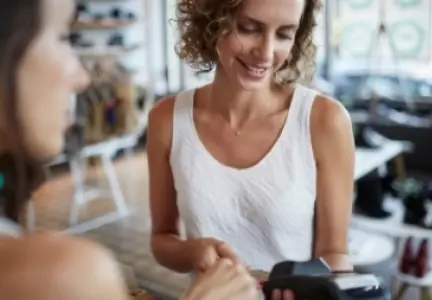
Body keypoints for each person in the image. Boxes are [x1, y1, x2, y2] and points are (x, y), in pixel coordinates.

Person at [0, 1, 258, 299]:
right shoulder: (63, 275)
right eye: (61, 37)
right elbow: (162, 238)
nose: (83, 77)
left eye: (284, 34)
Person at [148, 0, 355, 297]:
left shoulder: (325, 121)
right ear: (211, 20)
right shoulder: (166, 119)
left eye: (284, 34)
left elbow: (335, 254)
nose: (266, 53)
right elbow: (161, 240)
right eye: (248, 29)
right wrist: (193, 252)